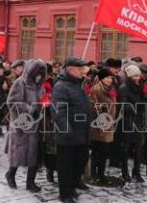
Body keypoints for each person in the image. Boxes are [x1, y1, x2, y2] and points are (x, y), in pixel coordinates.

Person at [52, 58, 92, 203]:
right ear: (70, 70)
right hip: (67, 134)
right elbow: (58, 111)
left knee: (79, 162)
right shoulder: (61, 86)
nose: (83, 72)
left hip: (81, 132)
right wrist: (65, 129)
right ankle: (65, 194)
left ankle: (72, 186)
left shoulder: (77, 84)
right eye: (80, 69)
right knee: (66, 166)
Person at [5, 59, 46, 192]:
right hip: (21, 125)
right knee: (19, 153)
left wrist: (45, 106)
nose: (39, 75)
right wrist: (29, 109)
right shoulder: (20, 83)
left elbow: (43, 99)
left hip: (36, 125)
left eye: (41, 72)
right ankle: (10, 174)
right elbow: (12, 102)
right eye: (37, 72)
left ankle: (30, 182)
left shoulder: (40, 86)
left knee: (34, 154)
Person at [89, 67, 118, 184]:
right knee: (98, 150)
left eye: (111, 77)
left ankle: (100, 173)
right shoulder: (96, 89)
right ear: (101, 78)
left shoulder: (111, 89)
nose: (110, 80)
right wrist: (102, 107)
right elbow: (92, 104)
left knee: (105, 151)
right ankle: (95, 173)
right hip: (99, 125)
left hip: (110, 123)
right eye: (107, 77)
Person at [119, 64, 147, 183]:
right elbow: (123, 105)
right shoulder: (124, 87)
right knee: (126, 147)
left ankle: (136, 172)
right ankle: (125, 172)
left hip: (139, 119)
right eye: (135, 76)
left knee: (139, 147)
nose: (138, 78)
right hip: (127, 120)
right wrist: (136, 106)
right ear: (130, 76)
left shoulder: (139, 86)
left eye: (138, 75)